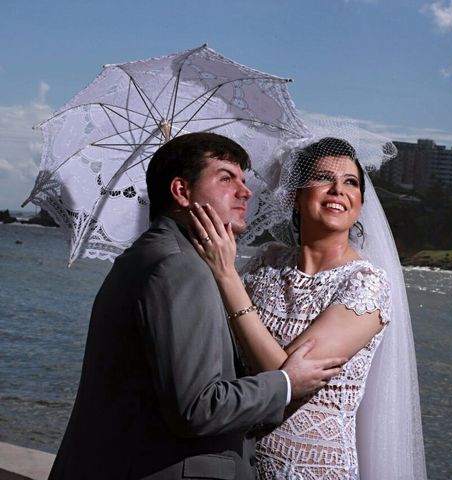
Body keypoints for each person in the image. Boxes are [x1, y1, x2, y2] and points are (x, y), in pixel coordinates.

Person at [48, 132, 345, 480]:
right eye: (226, 179)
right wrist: (285, 382)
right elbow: (197, 407)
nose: (245, 192)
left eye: (243, 180)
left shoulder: (150, 256)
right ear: (181, 191)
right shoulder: (179, 267)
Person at [190, 135, 427, 479]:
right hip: (238, 460)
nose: (338, 190)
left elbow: (288, 382)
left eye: (350, 183)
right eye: (323, 178)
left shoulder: (365, 283)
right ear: (294, 197)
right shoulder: (265, 262)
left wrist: (226, 275)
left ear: (360, 201)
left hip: (313, 468)